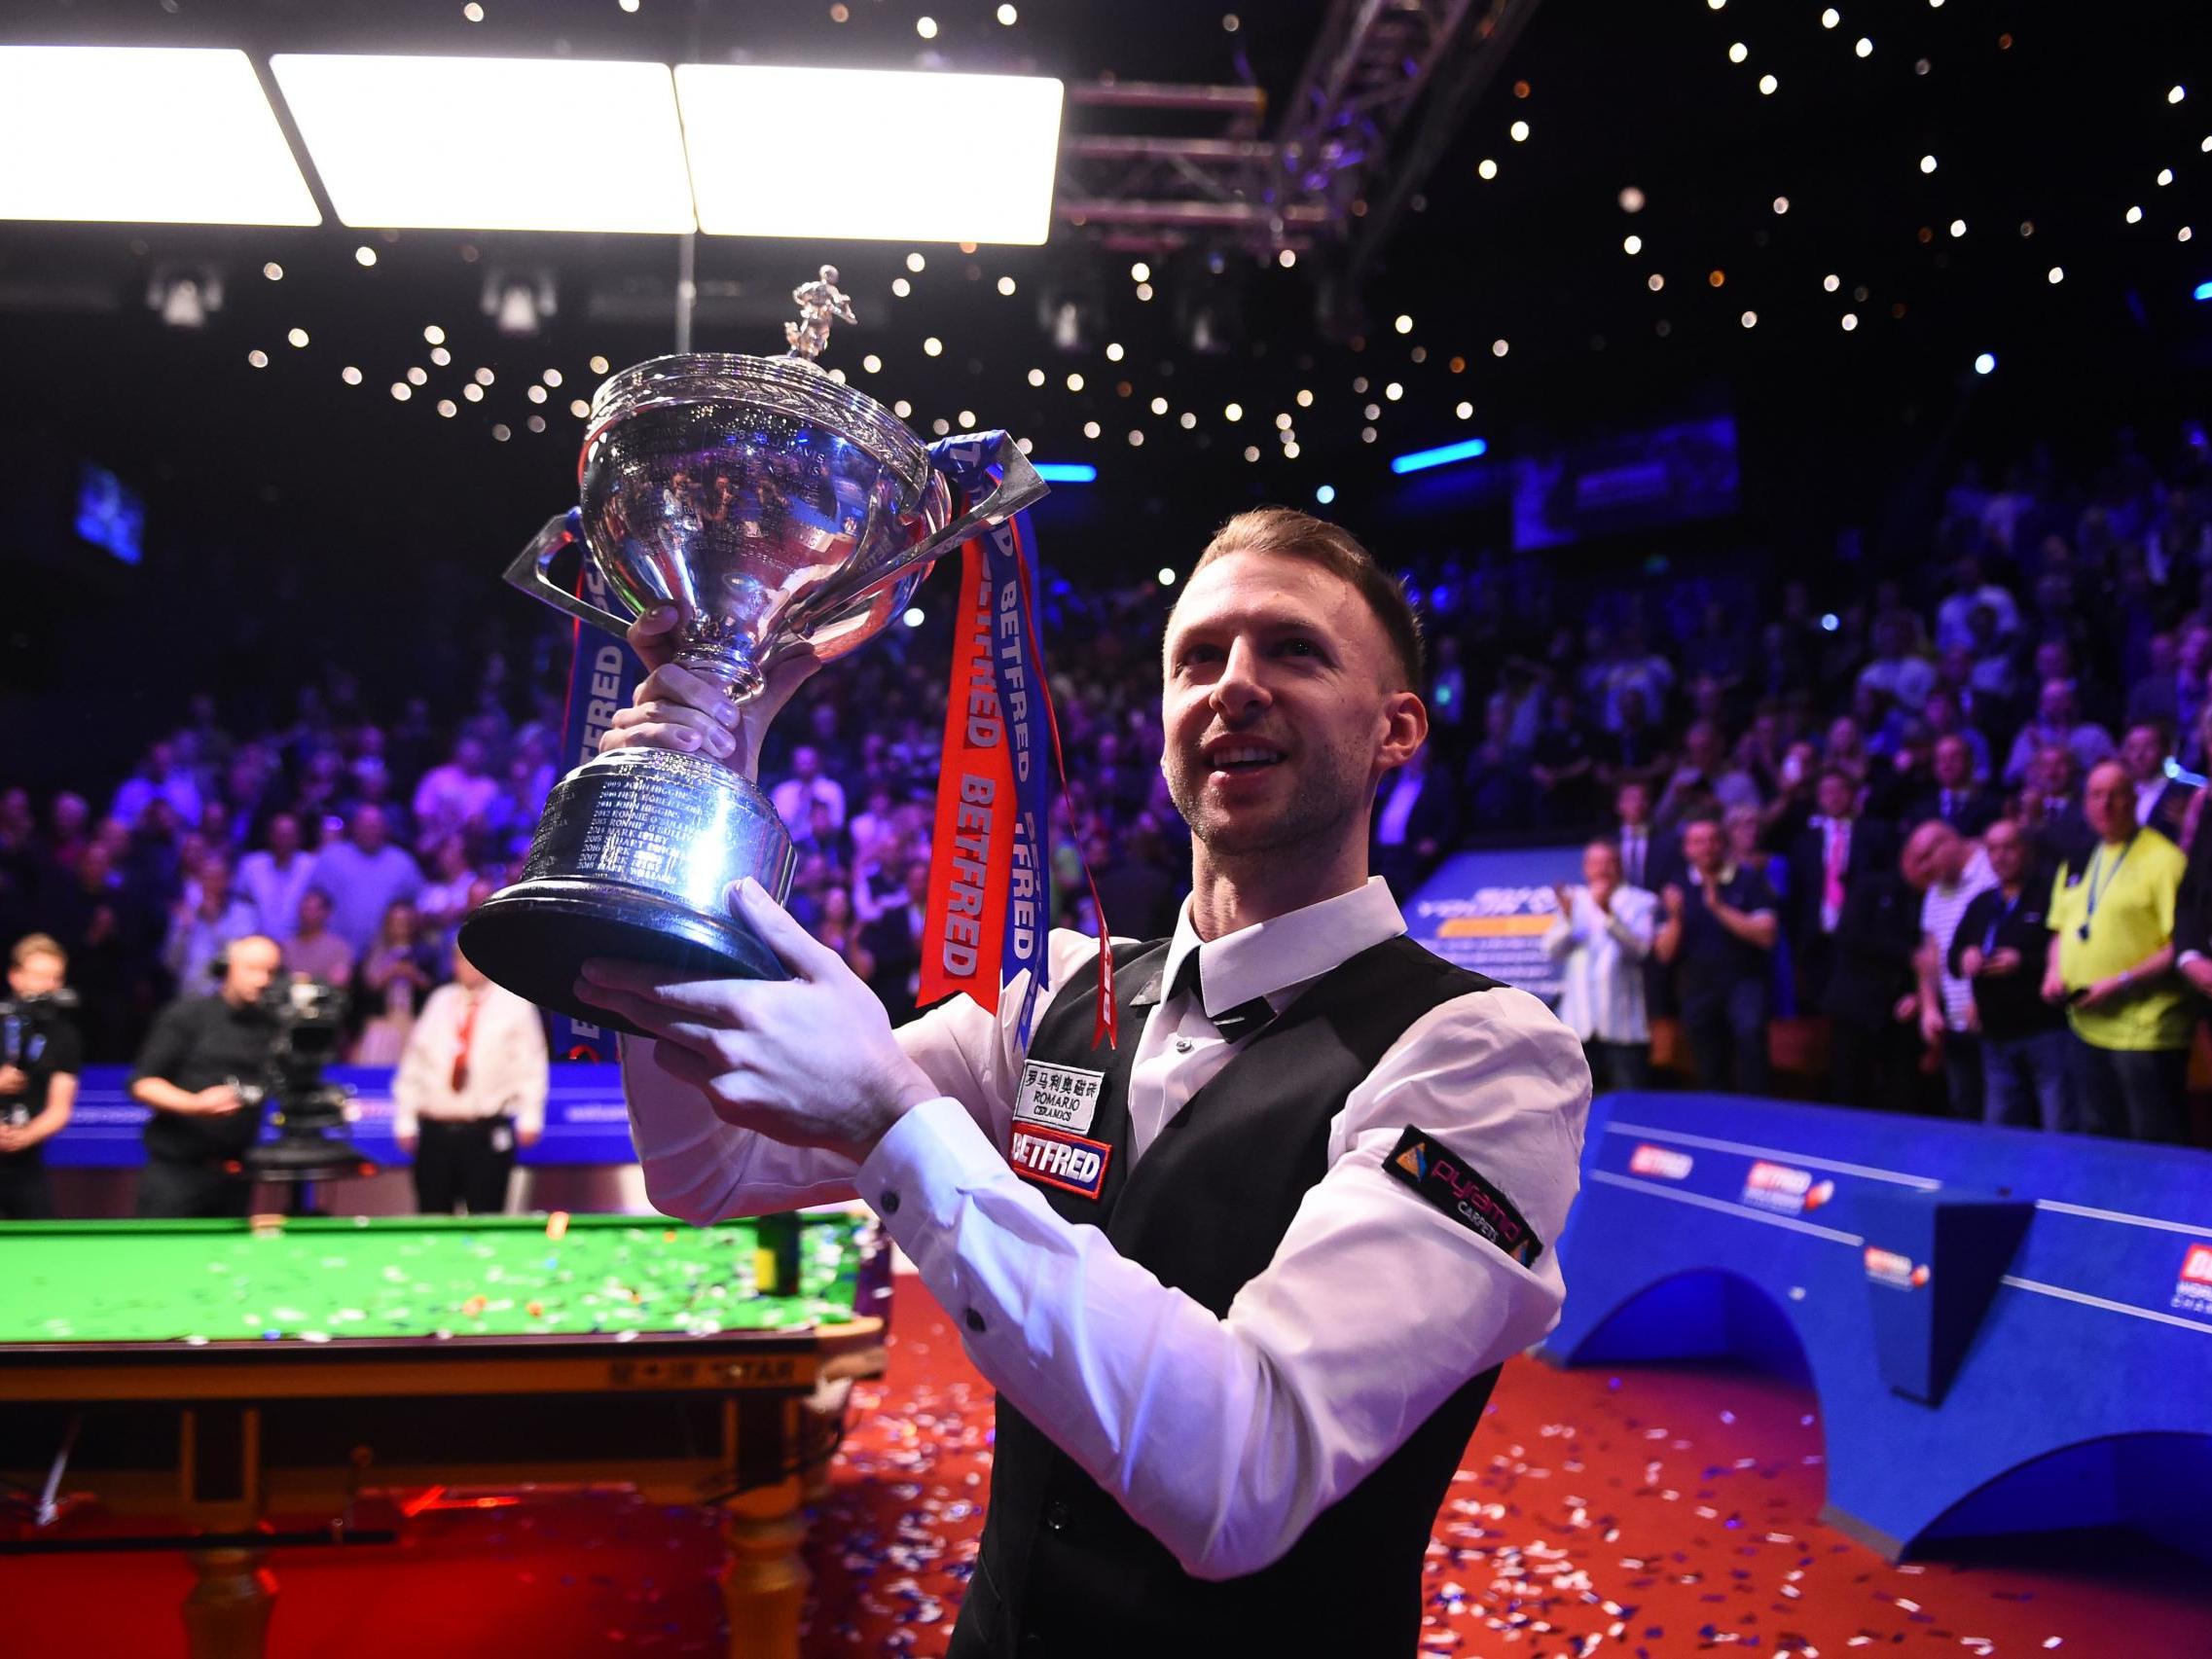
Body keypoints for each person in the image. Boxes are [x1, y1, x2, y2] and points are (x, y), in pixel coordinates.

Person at [582, 507, 1590, 1654]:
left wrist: (895, 1121)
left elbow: (1243, 1471)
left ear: (1395, 729)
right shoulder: (1057, 994)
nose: (1232, 684)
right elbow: (709, 1164)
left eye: (1293, 650)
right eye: (1197, 658)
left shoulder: (1482, 1057)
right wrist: (690, 810)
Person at [2042, 761, 2192, 1142]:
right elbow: (2060, 928)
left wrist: (2120, 982)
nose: (2105, 804)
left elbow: (2183, 944)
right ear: (2085, 803)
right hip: (2085, 1028)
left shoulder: (2165, 861)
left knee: (2151, 1140)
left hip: (2143, 1034)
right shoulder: (2078, 857)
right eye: (2096, 794)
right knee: (2099, 1138)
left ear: (2134, 798)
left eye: (2116, 794)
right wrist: (2053, 972)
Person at [127, 935, 283, 1217]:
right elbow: (142, 1084)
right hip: (175, 1174)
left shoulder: (272, 1026)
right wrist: (195, 1105)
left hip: (236, 1174)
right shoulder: (187, 1015)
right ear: (228, 967)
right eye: (252, 969)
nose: (262, 979)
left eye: (270, 971)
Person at [393, 946, 548, 1215]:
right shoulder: (440, 1001)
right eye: (461, 960)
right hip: (436, 1130)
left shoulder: (515, 1005)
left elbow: (531, 1066)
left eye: (473, 960)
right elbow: (414, 1064)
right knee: (432, 1215)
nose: (467, 967)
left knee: (486, 1214)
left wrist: (530, 1117)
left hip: (486, 1131)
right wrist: (404, 1119)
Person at [1951, 819, 2073, 1131]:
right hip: (1996, 1036)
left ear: (2027, 850)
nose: (2000, 857)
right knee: (2000, 1129)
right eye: (1992, 849)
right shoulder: (1981, 903)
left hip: (2045, 1030)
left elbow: (2069, 954)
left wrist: (2024, 962)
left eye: (2009, 848)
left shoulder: (2049, 895)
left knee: (2058, 1123)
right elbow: (1953, 957)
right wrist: (1965, 956)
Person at [1655, 816, 1780, 1094]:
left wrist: (1718, 908)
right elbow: (1664, 953)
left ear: (1723, 844)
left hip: (1743, 980)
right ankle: (1716, 1120)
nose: (1707, 848)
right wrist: (1675, 918)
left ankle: (1759, 1114)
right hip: (1697, 983)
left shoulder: (1748, 880)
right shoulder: (1676, 888)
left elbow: (1766, 936)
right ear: (1687, 849)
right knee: (1707, 1058)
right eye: (1698, 842)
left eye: (1713, 840)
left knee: (1749, 1040)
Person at [1541, 841, 1657, 1092]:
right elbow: (1551, 950)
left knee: (1627, 1104)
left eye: (1609, 862)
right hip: (1579, 1026)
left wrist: (1609, 915)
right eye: (1596, 863)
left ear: (1620, 866)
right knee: (1578, 1108)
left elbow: (1641, 950)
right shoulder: (1574, 902)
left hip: (1622, 1025)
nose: (1603, 869)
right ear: (1585, 868)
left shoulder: (1642, 901)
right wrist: (1570, 920)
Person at [1901, 820, 1997, 1120]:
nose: (1929, 880)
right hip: (1955, 1022)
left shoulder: (1990, 869)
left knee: (2001, 1114)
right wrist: (1929, 1007)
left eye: (1929, 868)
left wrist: (1982, 1000)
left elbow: (2001, 937)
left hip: (1993, 1019)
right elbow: (1928, 954)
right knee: (1965, 1109)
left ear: (1946, 844)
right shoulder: (1935, 890)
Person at [0, 935, 83, 1219]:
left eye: (54, 978)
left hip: (26, 1161)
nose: (46, 986)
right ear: (15, 977)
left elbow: (60, 1108)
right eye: (38, 976)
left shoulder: (64, 1035)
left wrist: (23, 1137)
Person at [314, 805, 424, 955]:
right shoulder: (330, 859)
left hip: (387, 956)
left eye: (375, 826)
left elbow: (418, 906)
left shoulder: (403, 863)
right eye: (365, 826)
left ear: (385, 829)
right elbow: (311, 903)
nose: (370, 831)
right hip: (337, 955)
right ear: (354, 827)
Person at [354, 899, 439, 1065]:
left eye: (405, 921)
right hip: (380, 1027)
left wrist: (415, 976)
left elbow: (437, 991)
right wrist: (386, 976)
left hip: (416, 1024)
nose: (401, 926)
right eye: (396, 921)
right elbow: (361, 995)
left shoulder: (426, 953)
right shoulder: (373, 955)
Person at [235, 811, 317, 947]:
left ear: (299, 838)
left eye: (289, 835)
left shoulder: (311, 867)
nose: (283, 840)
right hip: (257, 944)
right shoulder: (251, 865)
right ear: (269, 836)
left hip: (300, 946)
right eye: (279, 835)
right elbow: (240, 904)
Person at [282, 885, 355, 989]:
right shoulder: (286, 946)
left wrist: (302, 981)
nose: (308, 914)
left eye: (314, 910)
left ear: (326, 913)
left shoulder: (338, 947)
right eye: (305, 908)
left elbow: (339, 982)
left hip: (325, 1002)